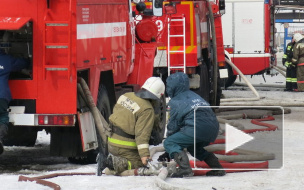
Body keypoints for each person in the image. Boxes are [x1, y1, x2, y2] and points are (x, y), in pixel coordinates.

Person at [158, 72, 225, 177]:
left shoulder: (175, 102)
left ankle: (185, 170)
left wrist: (170, 149)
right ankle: (218, 168)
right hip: (213, 128)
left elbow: (172, 127)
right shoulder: (196, 96)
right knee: (193, 147)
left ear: (171, 87)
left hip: (197, 128)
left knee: (169, 142)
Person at [99, 77, 165, 175]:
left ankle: (112, 161)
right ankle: (111, 163)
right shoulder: (147, 110)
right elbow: (142, 136)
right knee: (138, 163)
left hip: (110, 142)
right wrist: (145, 157)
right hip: (124, 147)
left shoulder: (126, 95)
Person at [0, 48, 29, 154]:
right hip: (1, 96)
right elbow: (22, 63)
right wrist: (28, 60)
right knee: (2, 117)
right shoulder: (6, 60)